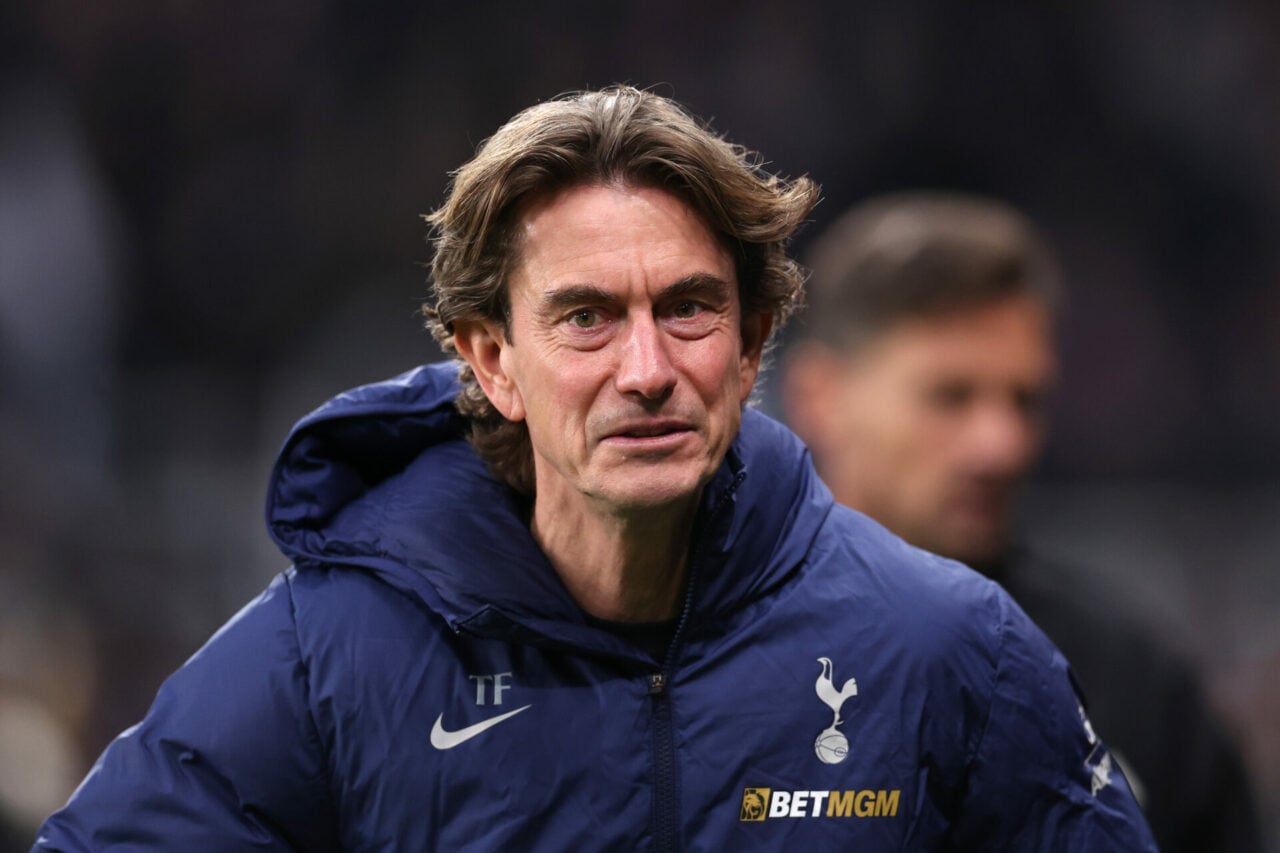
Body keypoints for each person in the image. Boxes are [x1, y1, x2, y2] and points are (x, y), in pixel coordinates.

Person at [33, 88, 1155, 850]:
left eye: (689, 309)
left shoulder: (945, 646)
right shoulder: (330, 658)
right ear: (492, 361)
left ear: (752, 346)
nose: (647, 370)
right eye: (585, 317)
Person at [784, 191, 1262, 853]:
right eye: (951, 396)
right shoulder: (711, 657)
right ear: (821, 397)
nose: (1001, 445)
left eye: (1025, 400)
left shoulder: (1133, 684)